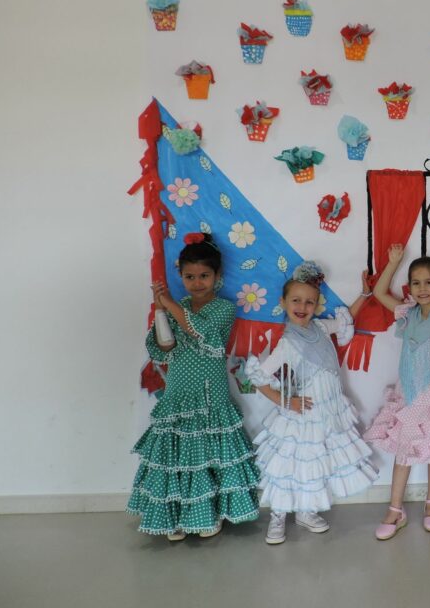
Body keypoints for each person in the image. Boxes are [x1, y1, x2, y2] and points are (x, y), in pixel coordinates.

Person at [127, 233, 260, 540]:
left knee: (205, 455)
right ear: (180, 276)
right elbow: (165, 345)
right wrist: (159, 309)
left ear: (217, 276)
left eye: (204, 276)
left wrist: (169, 303)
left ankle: (207, 514)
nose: (197, 282)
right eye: (189, 276)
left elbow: (198, 330)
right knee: (178, 455)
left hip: (209, 393)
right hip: (177, 392)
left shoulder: (223, 309)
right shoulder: (178, 306)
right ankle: (176, 514)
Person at [244, 261, 378, 545]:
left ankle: (306, 511)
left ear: (317, 305)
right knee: (291, 464)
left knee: (317, 463)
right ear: (283, 302)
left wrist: (365, 295)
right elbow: (258, 378)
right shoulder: (287, 343)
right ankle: (278, 516)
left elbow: (345, 320)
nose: (302, 306)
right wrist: (286, 401)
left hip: (328, 411)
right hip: (303, 412)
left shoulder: (319, 326)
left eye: (309, 301)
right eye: (296, 300)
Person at [362, 245, 430, 540]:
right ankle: (396, 509)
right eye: (416, 283)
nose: (422, 288)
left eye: (428, 282)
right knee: (403, 450)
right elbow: (380, 292)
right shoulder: (408, 315)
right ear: (410, 287)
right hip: (407, 396)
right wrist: (393, 261)